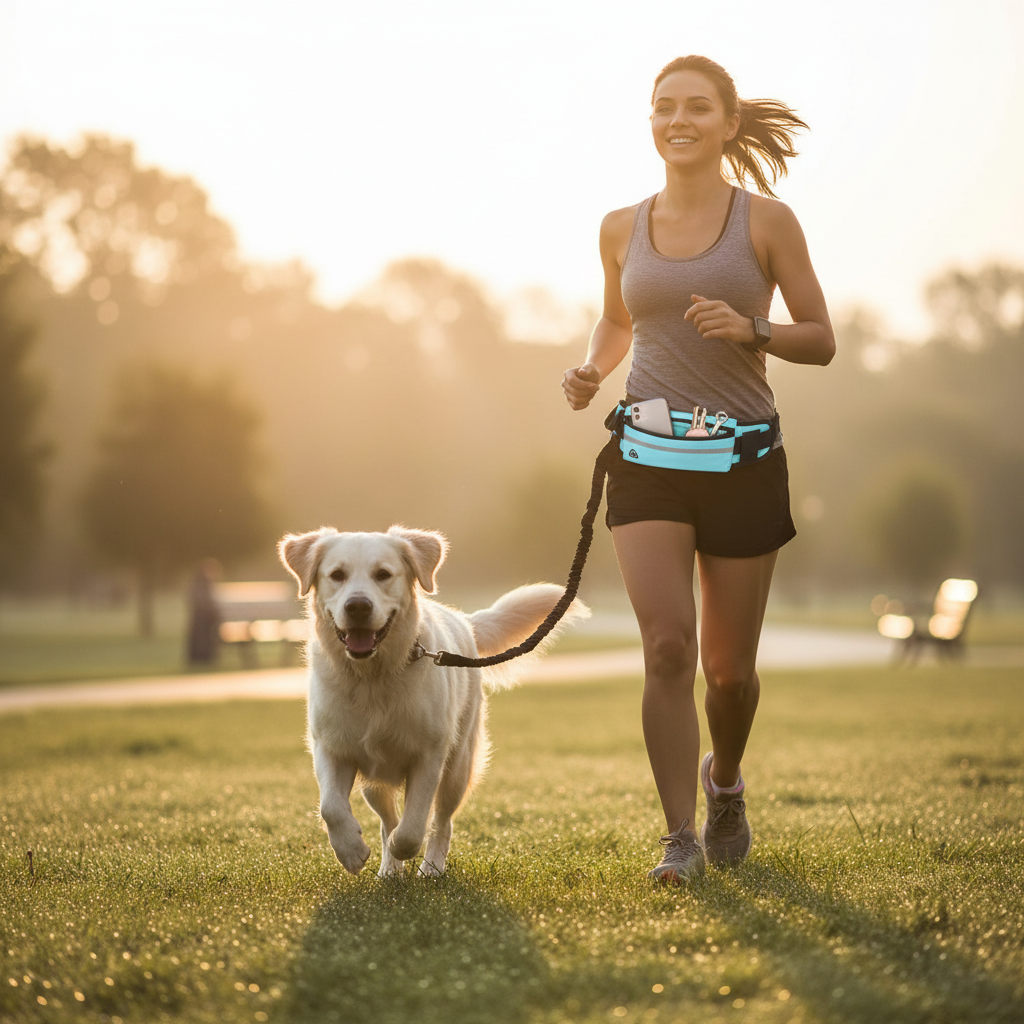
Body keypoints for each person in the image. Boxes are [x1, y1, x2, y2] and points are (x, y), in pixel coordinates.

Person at [562, 55, 834, 883]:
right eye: (663, 107)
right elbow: (617, 321)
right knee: (668, 649)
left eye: (695, 107)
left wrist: (755, 329)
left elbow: (820, 338)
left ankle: (725, 783)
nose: (677, 119)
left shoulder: (767, 222)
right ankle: (679, 837)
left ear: (727, 122)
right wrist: (590, 369)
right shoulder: (619, 225)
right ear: (651, 122)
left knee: (729, 674)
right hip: (648, 459)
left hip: (744, 460)